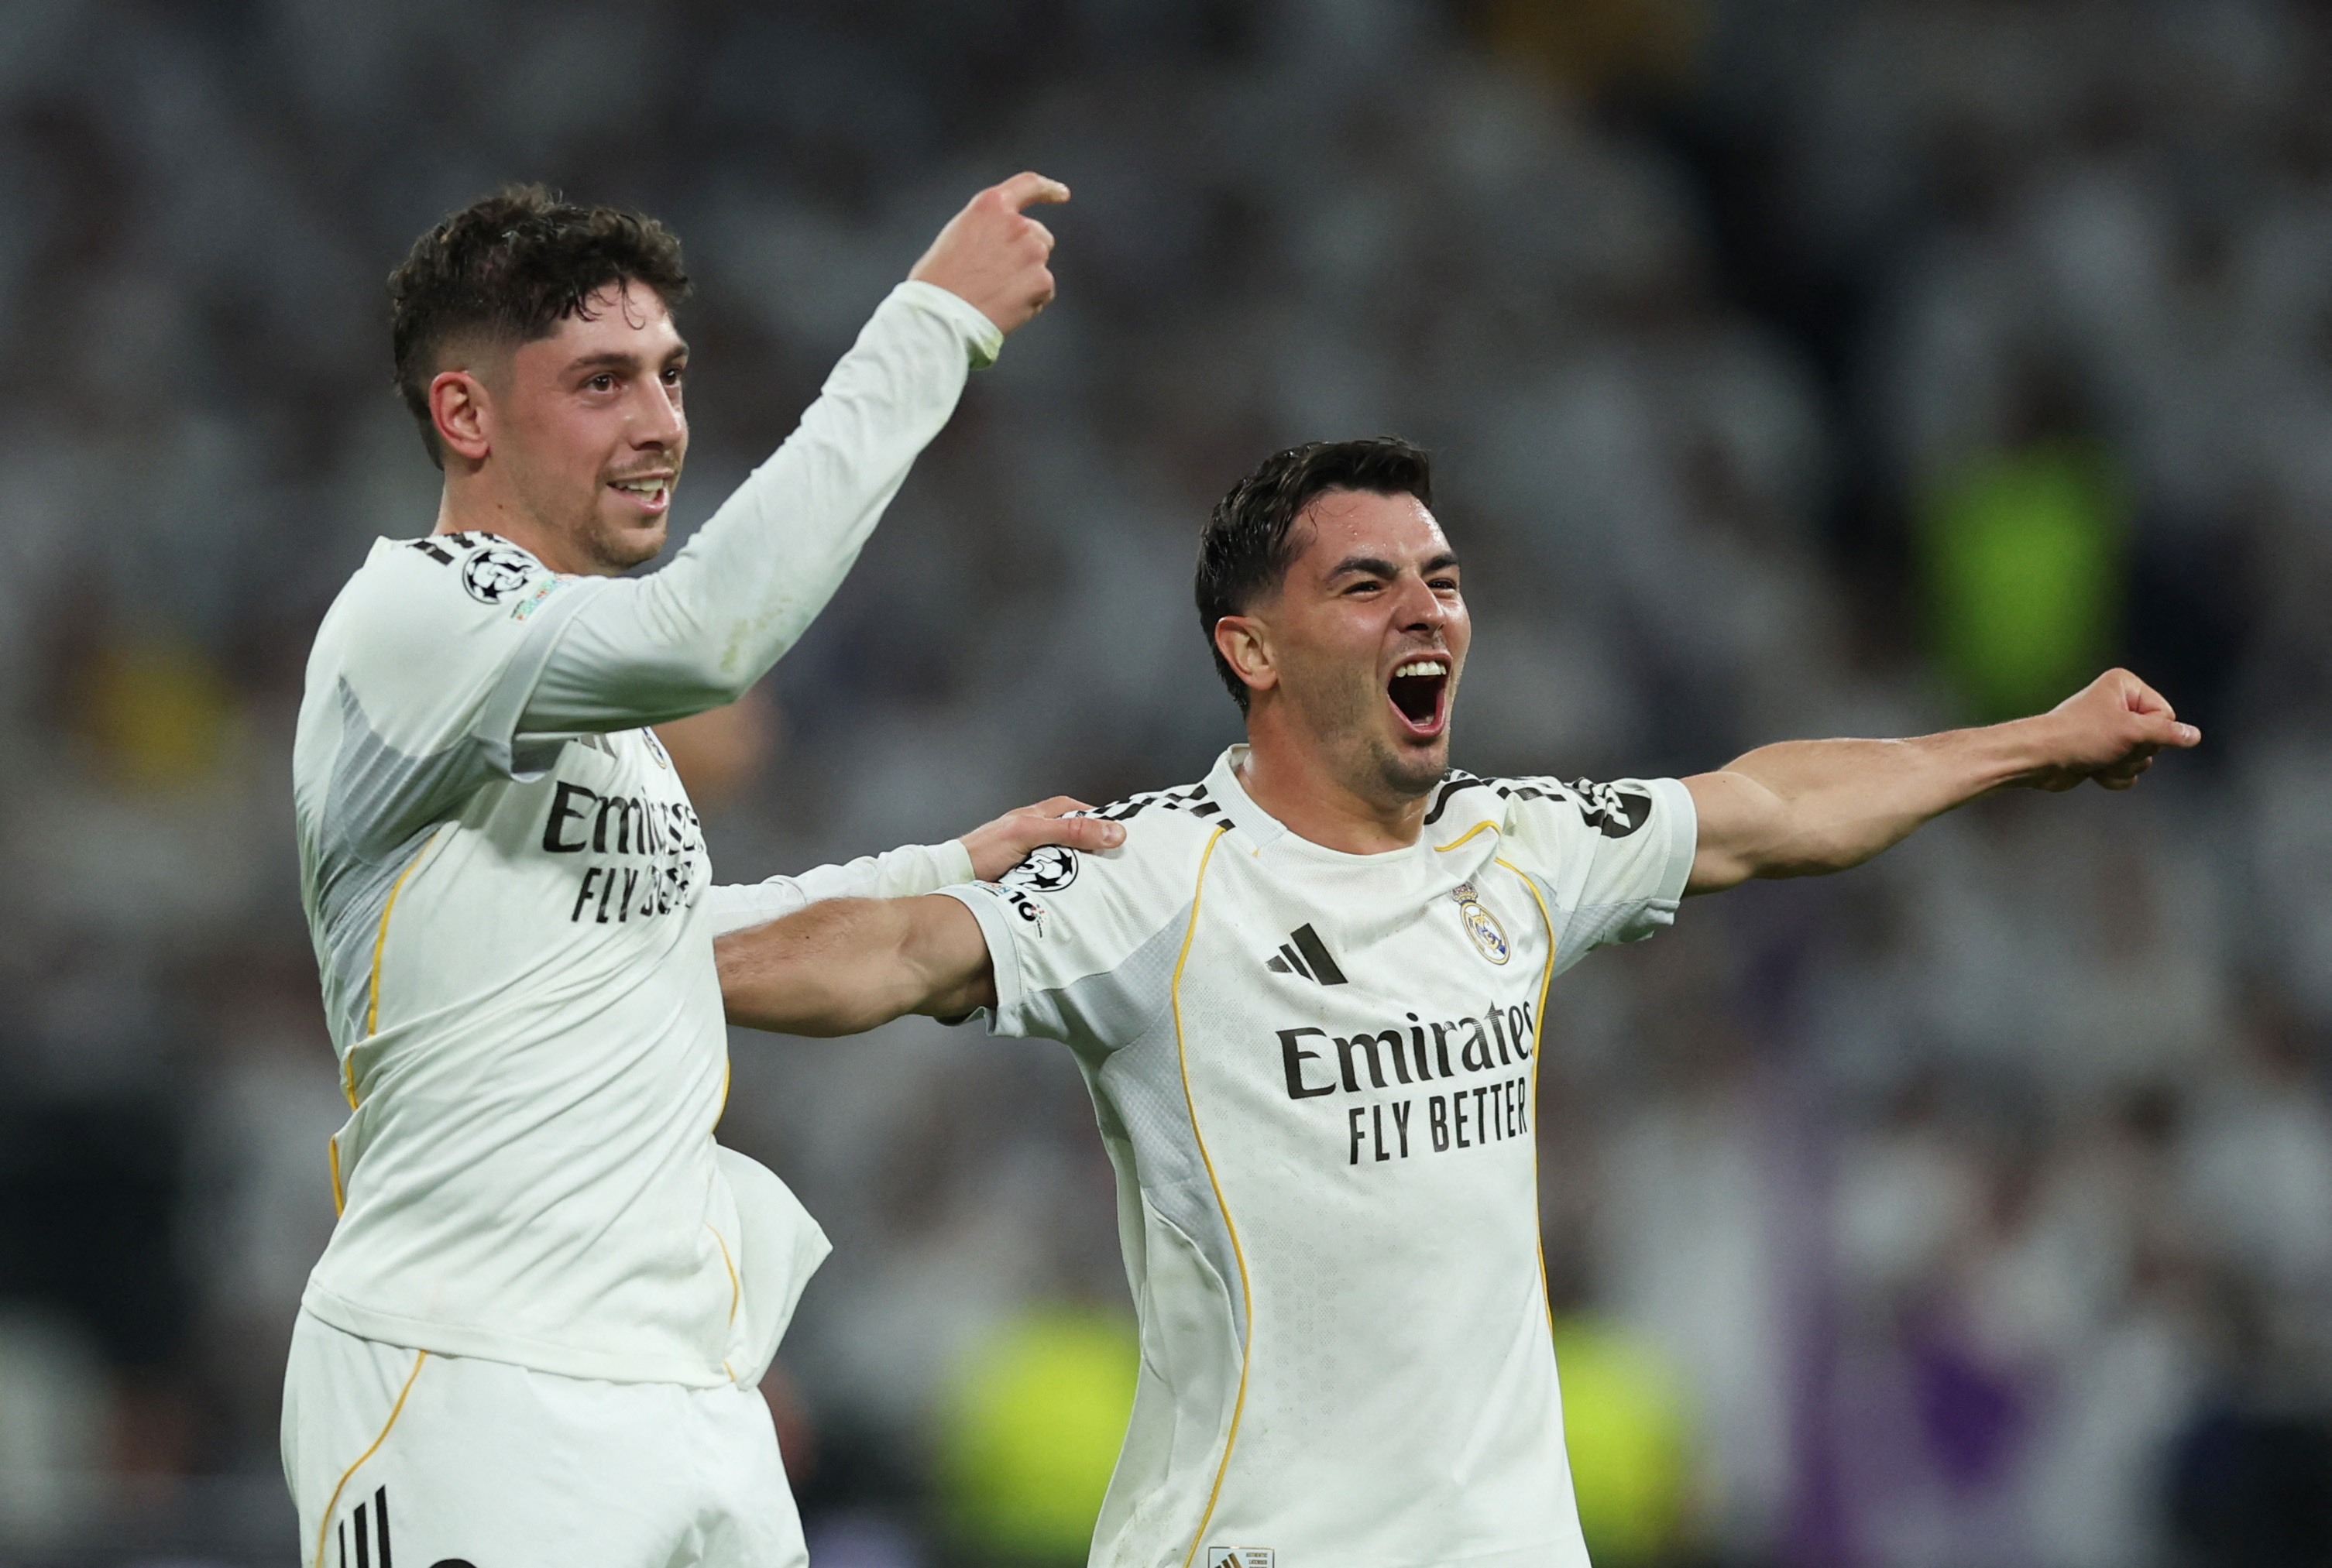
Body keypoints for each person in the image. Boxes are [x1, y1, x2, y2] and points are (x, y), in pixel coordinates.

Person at [715, 436, 2200, 1568]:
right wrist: (607, 980)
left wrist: (2032, 743)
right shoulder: (1153, 877)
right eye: (1366, 583)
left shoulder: (1521, 846)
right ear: (1253, 649)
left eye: (1442, 578)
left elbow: (1766, 805)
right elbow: (897, 950)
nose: (1425, 606)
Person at [284, 176, 1125, 1568]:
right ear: (466, 415)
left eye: (671, 376)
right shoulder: (415, 615)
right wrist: (930, 326)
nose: (663, 421)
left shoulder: (592, 721)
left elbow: (661, 945)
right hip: (469, 1377)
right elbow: (715, 632)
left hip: (686, 1392)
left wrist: (942, 867)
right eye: (602, 381)